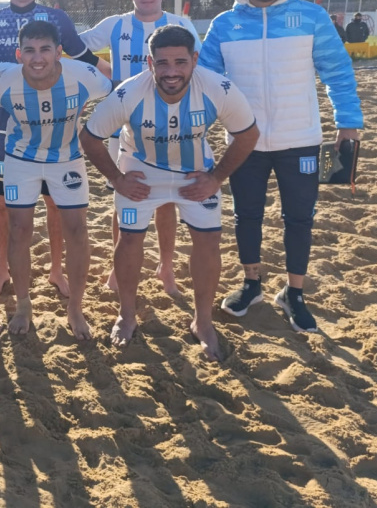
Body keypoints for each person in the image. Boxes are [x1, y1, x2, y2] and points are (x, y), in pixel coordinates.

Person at [199, 0, 363, 333]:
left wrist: (348, 122)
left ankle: (294, 293)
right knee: (246, 215)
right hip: (245, 142)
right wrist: (194, 131)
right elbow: (206, 83)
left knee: (300, 219)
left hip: (300, 138)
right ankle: (251, 284)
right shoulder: (224, 24)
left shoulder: (311, 17)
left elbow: (337, 71)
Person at [81, 26, 259, 360]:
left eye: (180, 62)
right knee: (129, 239)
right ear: (150, 63)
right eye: (162, 63)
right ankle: (127, 315)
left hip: (195, 175)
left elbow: (248, 135)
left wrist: (217, 177)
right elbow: (89, 137)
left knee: (208, 241)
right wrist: (117, 179)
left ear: (194, 59)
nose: (171, 71)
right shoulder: (128, 92)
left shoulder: (217, 88)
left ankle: (202, 321)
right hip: (141, 173)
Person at [0, 0, 110, 299]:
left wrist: (122, 80)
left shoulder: (57, 18)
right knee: (4, 204)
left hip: (54, 126)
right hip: (6, 127)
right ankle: (2, 268)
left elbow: (84, 59)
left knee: (55, 204)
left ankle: (56, 269)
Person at [79, 0, 203, 297]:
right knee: (124, 196)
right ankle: (118, 269)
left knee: (166, 200)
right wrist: (105, 72)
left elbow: (200, 67)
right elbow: (74, 47)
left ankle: (166, 267)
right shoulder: (115, 25)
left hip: (171, 128)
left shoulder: (180, 25)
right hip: (123, 129)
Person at [0, 21, 111, 338]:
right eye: (29, 50)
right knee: (19, 230)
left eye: (45, 50)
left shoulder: (84, 76)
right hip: (20, 160)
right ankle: (23, 305)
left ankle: (75, 308)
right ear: (19, 54)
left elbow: (116, 88)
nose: (37, 58)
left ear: (58, 52)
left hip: (66, 159)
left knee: (77, 231)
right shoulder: (3, 82)